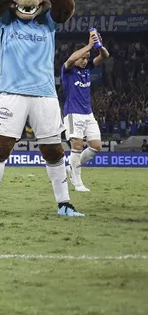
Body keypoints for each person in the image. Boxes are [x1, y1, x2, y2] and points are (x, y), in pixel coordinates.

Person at [0, 0, 82, 218]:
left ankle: (64, 204)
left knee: (54, 150)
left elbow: (65, 5)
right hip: (12, 94)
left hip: (44, 95)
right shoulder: (4, 22)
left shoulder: (47, 23)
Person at [63, 30, 108, 193]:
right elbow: (71, 59)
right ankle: (77, 182)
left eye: (87, 58)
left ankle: (70, 168)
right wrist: (89, 45)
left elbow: (104, 56)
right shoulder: (68, 70)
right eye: (83, 58)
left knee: (96, 146)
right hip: (72, 113)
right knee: (77, 145)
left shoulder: (88, 67)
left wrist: (99, 46)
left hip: (88, 114)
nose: (85, 61)